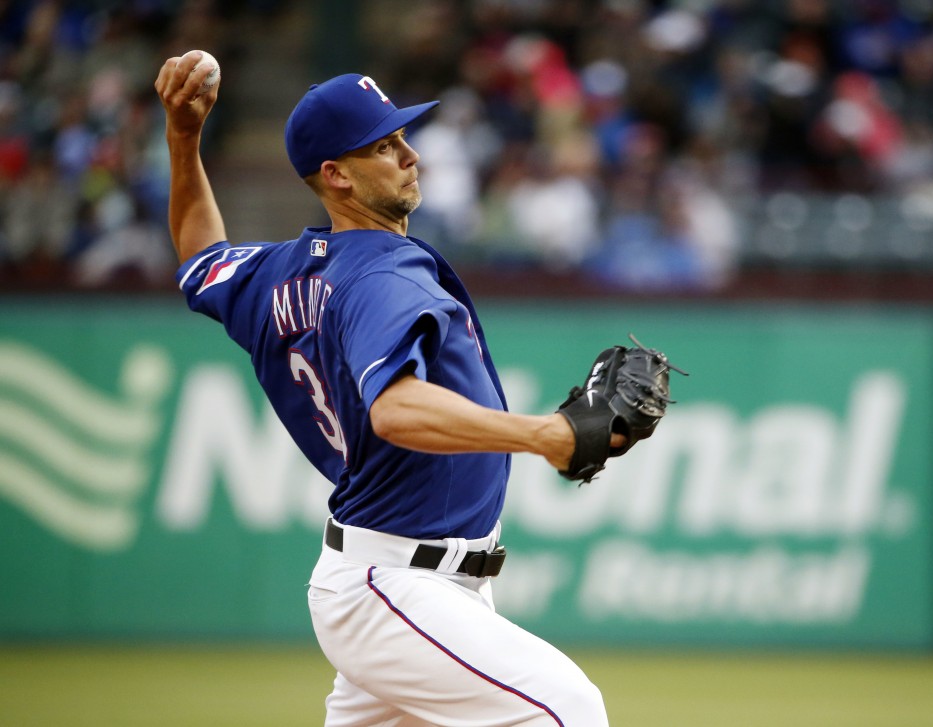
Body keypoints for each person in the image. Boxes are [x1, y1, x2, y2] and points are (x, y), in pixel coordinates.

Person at [156, 52, 613, 726]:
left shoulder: (279, 274)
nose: (409, 155)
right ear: (336, 175)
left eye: (402, 137)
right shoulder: (382, 275)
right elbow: (395, 410)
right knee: (565, 709)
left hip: (400, 583)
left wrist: (183, 138)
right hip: (396, 584)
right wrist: (547, 434)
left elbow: (200, 255)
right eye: (383, 146)